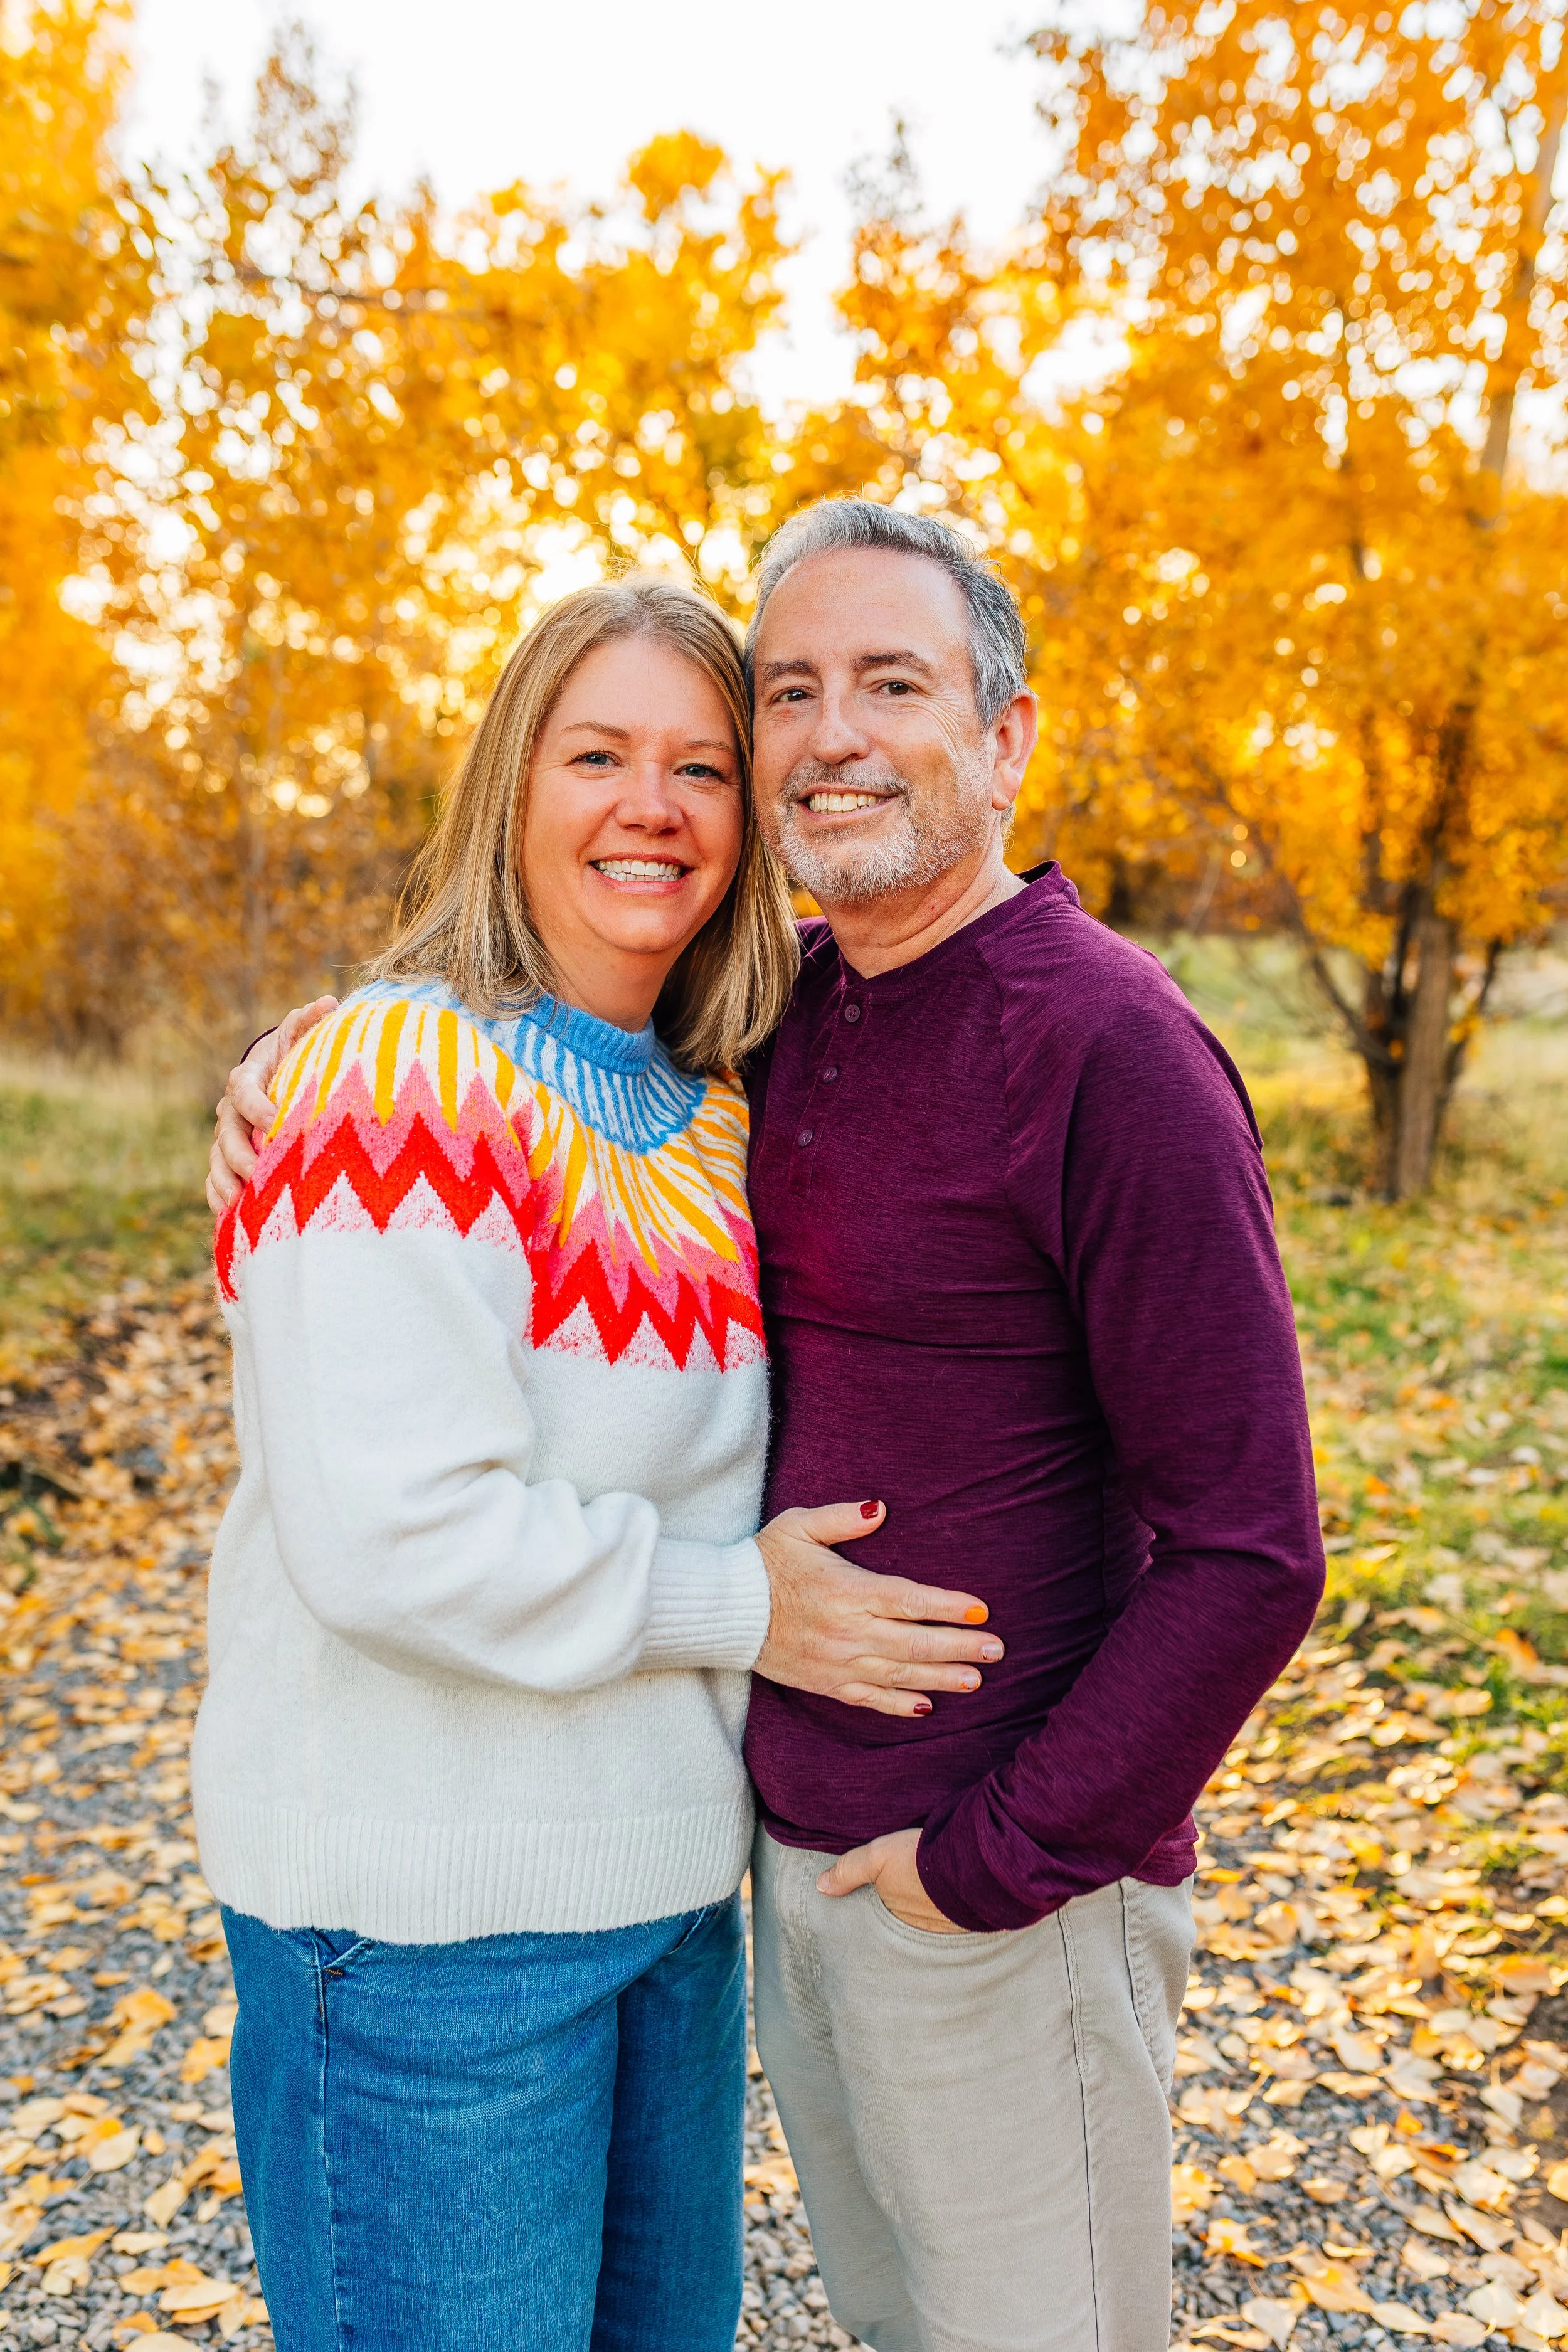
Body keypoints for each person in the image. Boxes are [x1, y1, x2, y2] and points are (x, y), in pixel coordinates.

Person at [214, 507, 1324, 2352]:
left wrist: (993, 1858)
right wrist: (302, 1077)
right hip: (568, 1921)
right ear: (513, 786)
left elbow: (1252, 1545)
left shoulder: (966, 1062)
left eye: (886, 684)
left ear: (1004, 737)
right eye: (784, 693)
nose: (817, 740)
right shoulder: (584, 1062)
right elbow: (393, 1481)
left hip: (858, 1901)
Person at [198, 571, 1004, 2352]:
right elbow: (390, 1536)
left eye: (704, 767)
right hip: (422, 1944)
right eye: (597, 754)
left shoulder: (727, 1102)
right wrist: (745, 1605)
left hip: (665, 1909)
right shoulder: (390, 1077)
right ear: (513, 785)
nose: (651, 805)